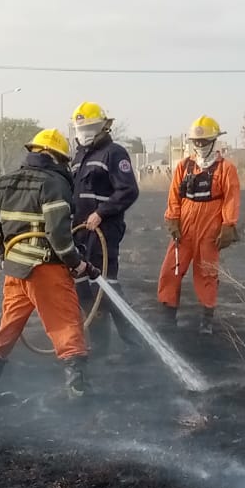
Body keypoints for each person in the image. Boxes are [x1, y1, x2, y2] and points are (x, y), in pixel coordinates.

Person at [0, 128, 98, 404]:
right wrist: (76, 264)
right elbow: (59, 236)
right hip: (46, 270)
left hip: (15, 270)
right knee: (67, 326)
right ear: (58, 158)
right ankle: (79, 392)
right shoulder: (54, 184)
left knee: (9, 327)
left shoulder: (5, 182)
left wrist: (4, 252)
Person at [68, 101, 143, 356]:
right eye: (81, 127)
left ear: (103, 126)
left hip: (103, 234)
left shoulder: (114, 153)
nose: (85, 131)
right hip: (79, 234)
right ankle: (100, 348)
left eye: (90, 126)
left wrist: (101, 213)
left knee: (106, 287)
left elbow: (128, 190)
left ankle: (136, 343)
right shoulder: (78, 158)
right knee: (84, 290)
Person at [156, 115, 241, 334]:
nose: (200, 146)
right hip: (185, 225)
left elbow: (231, 197)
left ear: (215, 141)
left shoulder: (226, 169)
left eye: (204, 142)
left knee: (207, 272)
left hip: (210, 226)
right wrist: (173, 219)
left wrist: (228, 224)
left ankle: (206, 319)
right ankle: (167, 315)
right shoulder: (184, 167)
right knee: (171, 269)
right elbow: (174, 195)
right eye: (197, 142)